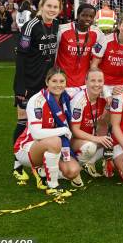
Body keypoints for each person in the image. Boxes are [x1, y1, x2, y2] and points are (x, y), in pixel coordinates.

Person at [12, 0, 62, 181]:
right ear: (42, 6)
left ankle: (38, 161)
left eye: (55, 7)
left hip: (45, 83)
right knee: (23, 121)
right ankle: (17, 164)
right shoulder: (30, 26)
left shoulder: (57, 25)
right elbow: (21, 57)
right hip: (27, 82)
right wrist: (20, 86)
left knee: (41, 123)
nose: (52, 10)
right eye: (49, 6)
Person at [13, 68, 81, 196]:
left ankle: (43, 168)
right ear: (47, 82)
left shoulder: (66, 94)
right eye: (54, 81)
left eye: (62, 81)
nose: (58, 85)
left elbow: (88, 87)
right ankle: (53, 185)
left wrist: (110, 91)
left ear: (66, 83)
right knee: (55, 141)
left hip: (51, 145)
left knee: (72, 171)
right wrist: (63, 130)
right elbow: (36, 134)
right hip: (27, 148)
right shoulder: (37, 101)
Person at [70, 68, 112, 177]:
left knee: (112, 139)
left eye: (100, 81)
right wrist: (97, 139)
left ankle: (89, 162)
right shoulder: (79, 100)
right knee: (90, 146)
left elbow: (104, 123)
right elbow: (74, 131)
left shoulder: (104, 96)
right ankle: (75, 168)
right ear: (86, 81)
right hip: (72, 139)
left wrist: (108, 107)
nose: (97, 84)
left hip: (89, 134)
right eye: (93, 81)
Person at [55, 3, 103, 95]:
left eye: (91, 16)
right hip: (62, 82)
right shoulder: (62, 30)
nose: (88, 19)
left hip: (83, 84)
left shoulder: (97, 33)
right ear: (77, 15)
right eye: (84, 15)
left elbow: (98, 54)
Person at [91, 14, 123, 97]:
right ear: (118, 26)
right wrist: (99, 85)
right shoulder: (105, 40)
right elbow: (94, 65)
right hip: (104, 82)